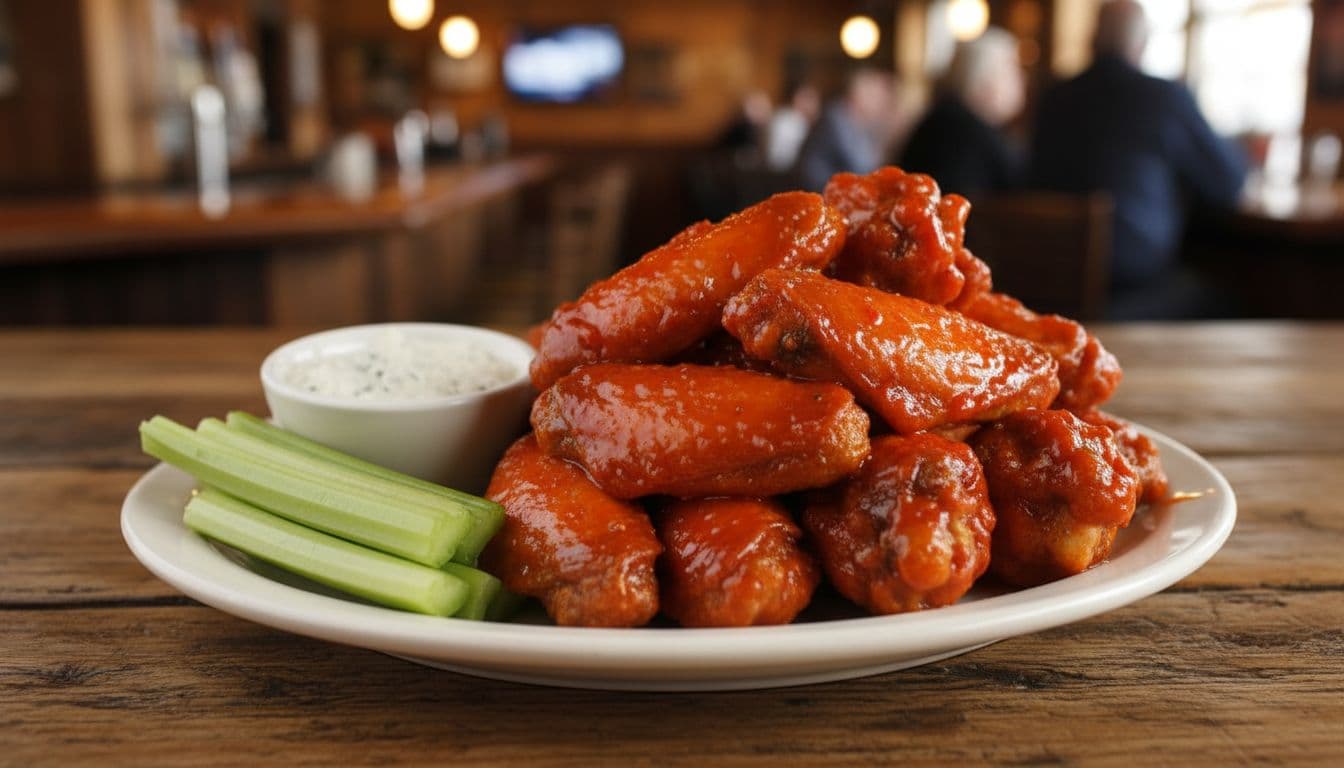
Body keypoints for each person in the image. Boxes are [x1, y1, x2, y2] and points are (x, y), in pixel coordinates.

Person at [1029, 0, 1248, 320]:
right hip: (1132, 290)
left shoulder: (1052, 98)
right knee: (1230, 300)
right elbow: (1228, 183)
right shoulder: (1165, 98)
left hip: (1043, 282)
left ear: (1092, 40)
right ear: (1142, 44)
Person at [900, 27, 1025, 198]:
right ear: (984, 82)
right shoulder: (960, 134)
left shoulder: (945, 121)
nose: (1021, 80)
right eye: (1012, 70)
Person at [795, 68, 896, 191]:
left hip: (833, 193)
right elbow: (860, 166)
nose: (881, 103)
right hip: (816, 194)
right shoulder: (836, 118)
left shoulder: (857, 121)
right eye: (876, 96)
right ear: (860, 94)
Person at [765, 81, 821, 172]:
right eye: (811, 99)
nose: (816, 104)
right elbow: (777, 156)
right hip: (781, 172)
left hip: (785, 170)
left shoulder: (802, 121)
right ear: (797, 98)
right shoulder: (786, 120)